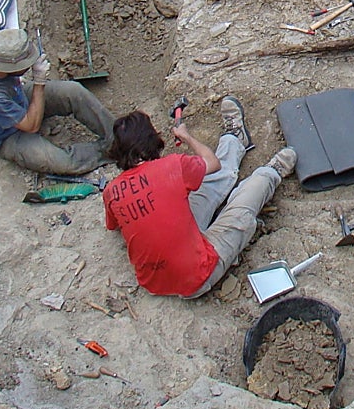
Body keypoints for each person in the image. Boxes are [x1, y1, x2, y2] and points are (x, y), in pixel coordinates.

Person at [102, 106, 297, 298]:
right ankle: (270, 173)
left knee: (200, 185)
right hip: (196, 277)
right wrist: (186, 136)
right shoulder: (171, 166)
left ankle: (235, 139)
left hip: (155, 282)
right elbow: (213, 163)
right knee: (240, 212)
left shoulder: (111, 191)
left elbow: (116, 226)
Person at [0, 28, 114, 174]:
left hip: (18, 97)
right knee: (64, 162)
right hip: (7, 135)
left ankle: (117, 135)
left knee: (73, 91)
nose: (31, 63)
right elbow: (31, 125)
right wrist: (39, 82)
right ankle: (111, 150)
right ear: (9, 67)